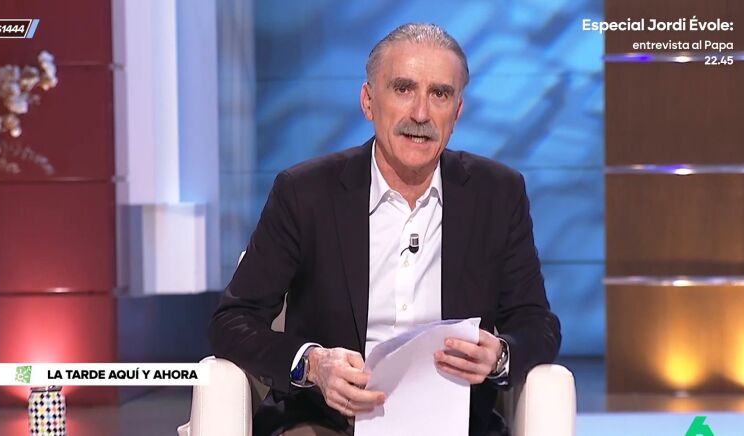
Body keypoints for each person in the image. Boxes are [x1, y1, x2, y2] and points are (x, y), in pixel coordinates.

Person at [209, 23, 561, 436]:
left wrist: (499, 356)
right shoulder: (305, 193)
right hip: (328, 423)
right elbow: (232, 321)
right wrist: (313, 365)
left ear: (457, 112)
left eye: (440, 94)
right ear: (368, 101)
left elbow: (537, 323)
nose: (421, 114)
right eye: (403, 88)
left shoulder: (497, 194)